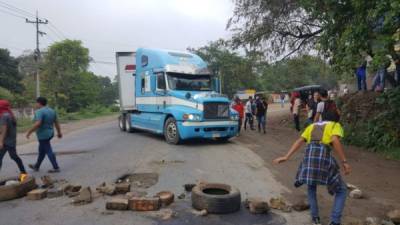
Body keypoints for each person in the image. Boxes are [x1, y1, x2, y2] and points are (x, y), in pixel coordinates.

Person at [273, 121, 351, 225]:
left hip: (309, 158)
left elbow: (299, 141)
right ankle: (334, 221)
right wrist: (344, 162)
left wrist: (286, 156)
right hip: (323, 158)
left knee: (311, 187)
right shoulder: (335, 125)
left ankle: (315, 219)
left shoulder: (311, 126)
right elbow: (334, 139)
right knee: (341, 190)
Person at [26, 97, 62, 173]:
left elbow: (38, 123)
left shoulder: (39, 111)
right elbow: (56, 123)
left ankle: (56, 167)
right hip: (50, 133)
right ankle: (36, 166)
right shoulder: (52, 110)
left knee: (48, 150)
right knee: (42, 151)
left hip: (43, 135)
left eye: (36, 103)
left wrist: (29, 132)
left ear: (39, 103)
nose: (36, 105)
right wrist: (59, 132)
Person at [0, 100, 27, 176]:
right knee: (14, 157)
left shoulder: (4, 116)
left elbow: (4, 130)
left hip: (6, 142)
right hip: (11, 141)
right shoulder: (9, 114)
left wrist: (1, 142)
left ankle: (24, 173)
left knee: (12, 157)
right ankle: (24, 173)